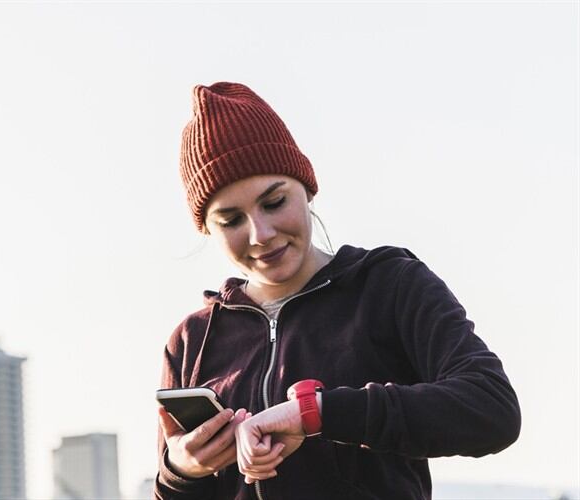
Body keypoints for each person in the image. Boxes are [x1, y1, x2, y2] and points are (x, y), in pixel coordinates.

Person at [154, 82, 521, 500]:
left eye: (274, 202)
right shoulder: (192, 340)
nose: (260, 234)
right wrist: (180, 471)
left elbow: (492, 409)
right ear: (208, 229)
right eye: (231, 220)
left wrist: (318, 414)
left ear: (307, 187)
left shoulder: (390, 285)